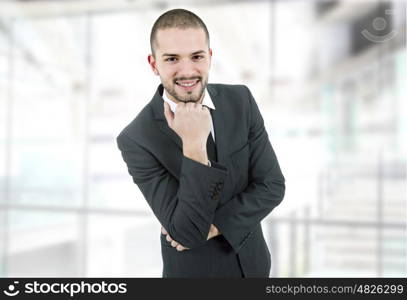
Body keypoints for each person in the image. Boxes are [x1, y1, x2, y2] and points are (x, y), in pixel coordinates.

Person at [116, 8, 285, 278]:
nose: (187, 71)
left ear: (210, 58)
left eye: (197, 56)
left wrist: (216, 224)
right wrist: (194, 146)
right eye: (172, 59)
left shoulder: (240, 101)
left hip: (255, 268)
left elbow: (272, 186)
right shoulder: (137, 138)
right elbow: (188, 233)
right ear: (153, 64)